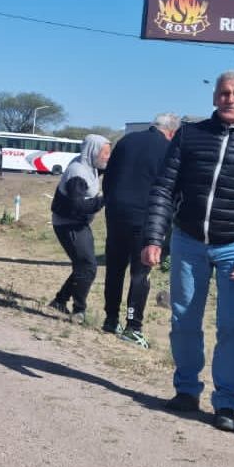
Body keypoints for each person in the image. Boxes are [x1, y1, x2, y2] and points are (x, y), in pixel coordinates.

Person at [142, 70, 234, 432]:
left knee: (232, 327)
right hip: (188, 242)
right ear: (214, 97)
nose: (230, 99)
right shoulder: (190, 135)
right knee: (184, 319)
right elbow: (163, 189)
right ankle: (186, 390)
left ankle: (227, 404)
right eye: (224, 93)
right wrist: (154, 237)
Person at [100, 113, 180, 347]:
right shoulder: (169, 148)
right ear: (172, 132)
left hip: (115, 213)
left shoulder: (126, 140)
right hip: (144, 217)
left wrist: (111, 201)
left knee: (114, 267)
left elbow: (108, 177)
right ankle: (133, 326)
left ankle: (110, 318)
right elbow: (170, 187)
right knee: (140, 272)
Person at [48, 134, 111, 324]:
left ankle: (59, 301)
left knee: (83, 264)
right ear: (93, 151)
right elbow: (77, 206)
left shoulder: (89, 166)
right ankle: (79, 311)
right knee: (88, 266)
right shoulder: (78, 174)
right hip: (68, 223)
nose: (108, 157)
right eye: (106, 153)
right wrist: (105, 200)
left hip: (77, 223)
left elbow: (105, 169)